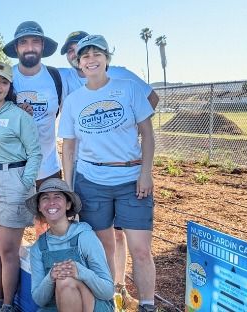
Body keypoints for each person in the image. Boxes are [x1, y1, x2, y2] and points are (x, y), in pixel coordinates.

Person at [59, 30, 160, 309]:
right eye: (85, 56)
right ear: (79, 63)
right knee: (104, 247)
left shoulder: (127, 88)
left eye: (97, 54)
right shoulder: (73, 101)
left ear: (106, 59)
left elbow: (148, 135)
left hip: (131, 179)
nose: (91, 60)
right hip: (91, 181)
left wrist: (146, 173)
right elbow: (68, 148)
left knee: (140, 249)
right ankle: (109, 301)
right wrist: (68, 187)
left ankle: (147, 304)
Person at [0, 61, 42, 312]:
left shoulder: (19, 115)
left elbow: (35, 153)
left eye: (3, 81)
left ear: (9, 86)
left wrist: (25, 182)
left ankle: (10, 304)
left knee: (8, 248)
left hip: (14, 178)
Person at [28, 178, 114, 312]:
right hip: (54, 308)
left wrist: (80, 272)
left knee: (65, 280)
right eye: (45, 198)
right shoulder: (38, 248)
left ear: (68, 204)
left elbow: (108, 291)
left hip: (93, 306)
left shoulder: (85, 237)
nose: (51, 202)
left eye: (57, 197)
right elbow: (39, 299)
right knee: (63, 279)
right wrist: (51, 277)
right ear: (39, 207)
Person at [1, 21, 63, 186]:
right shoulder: (5, 78)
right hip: (13, 172)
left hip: (49, 171)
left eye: (35, 41)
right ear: (16, 48)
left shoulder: (57, 76)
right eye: (23, 42)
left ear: (42, 46)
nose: (29, 47)